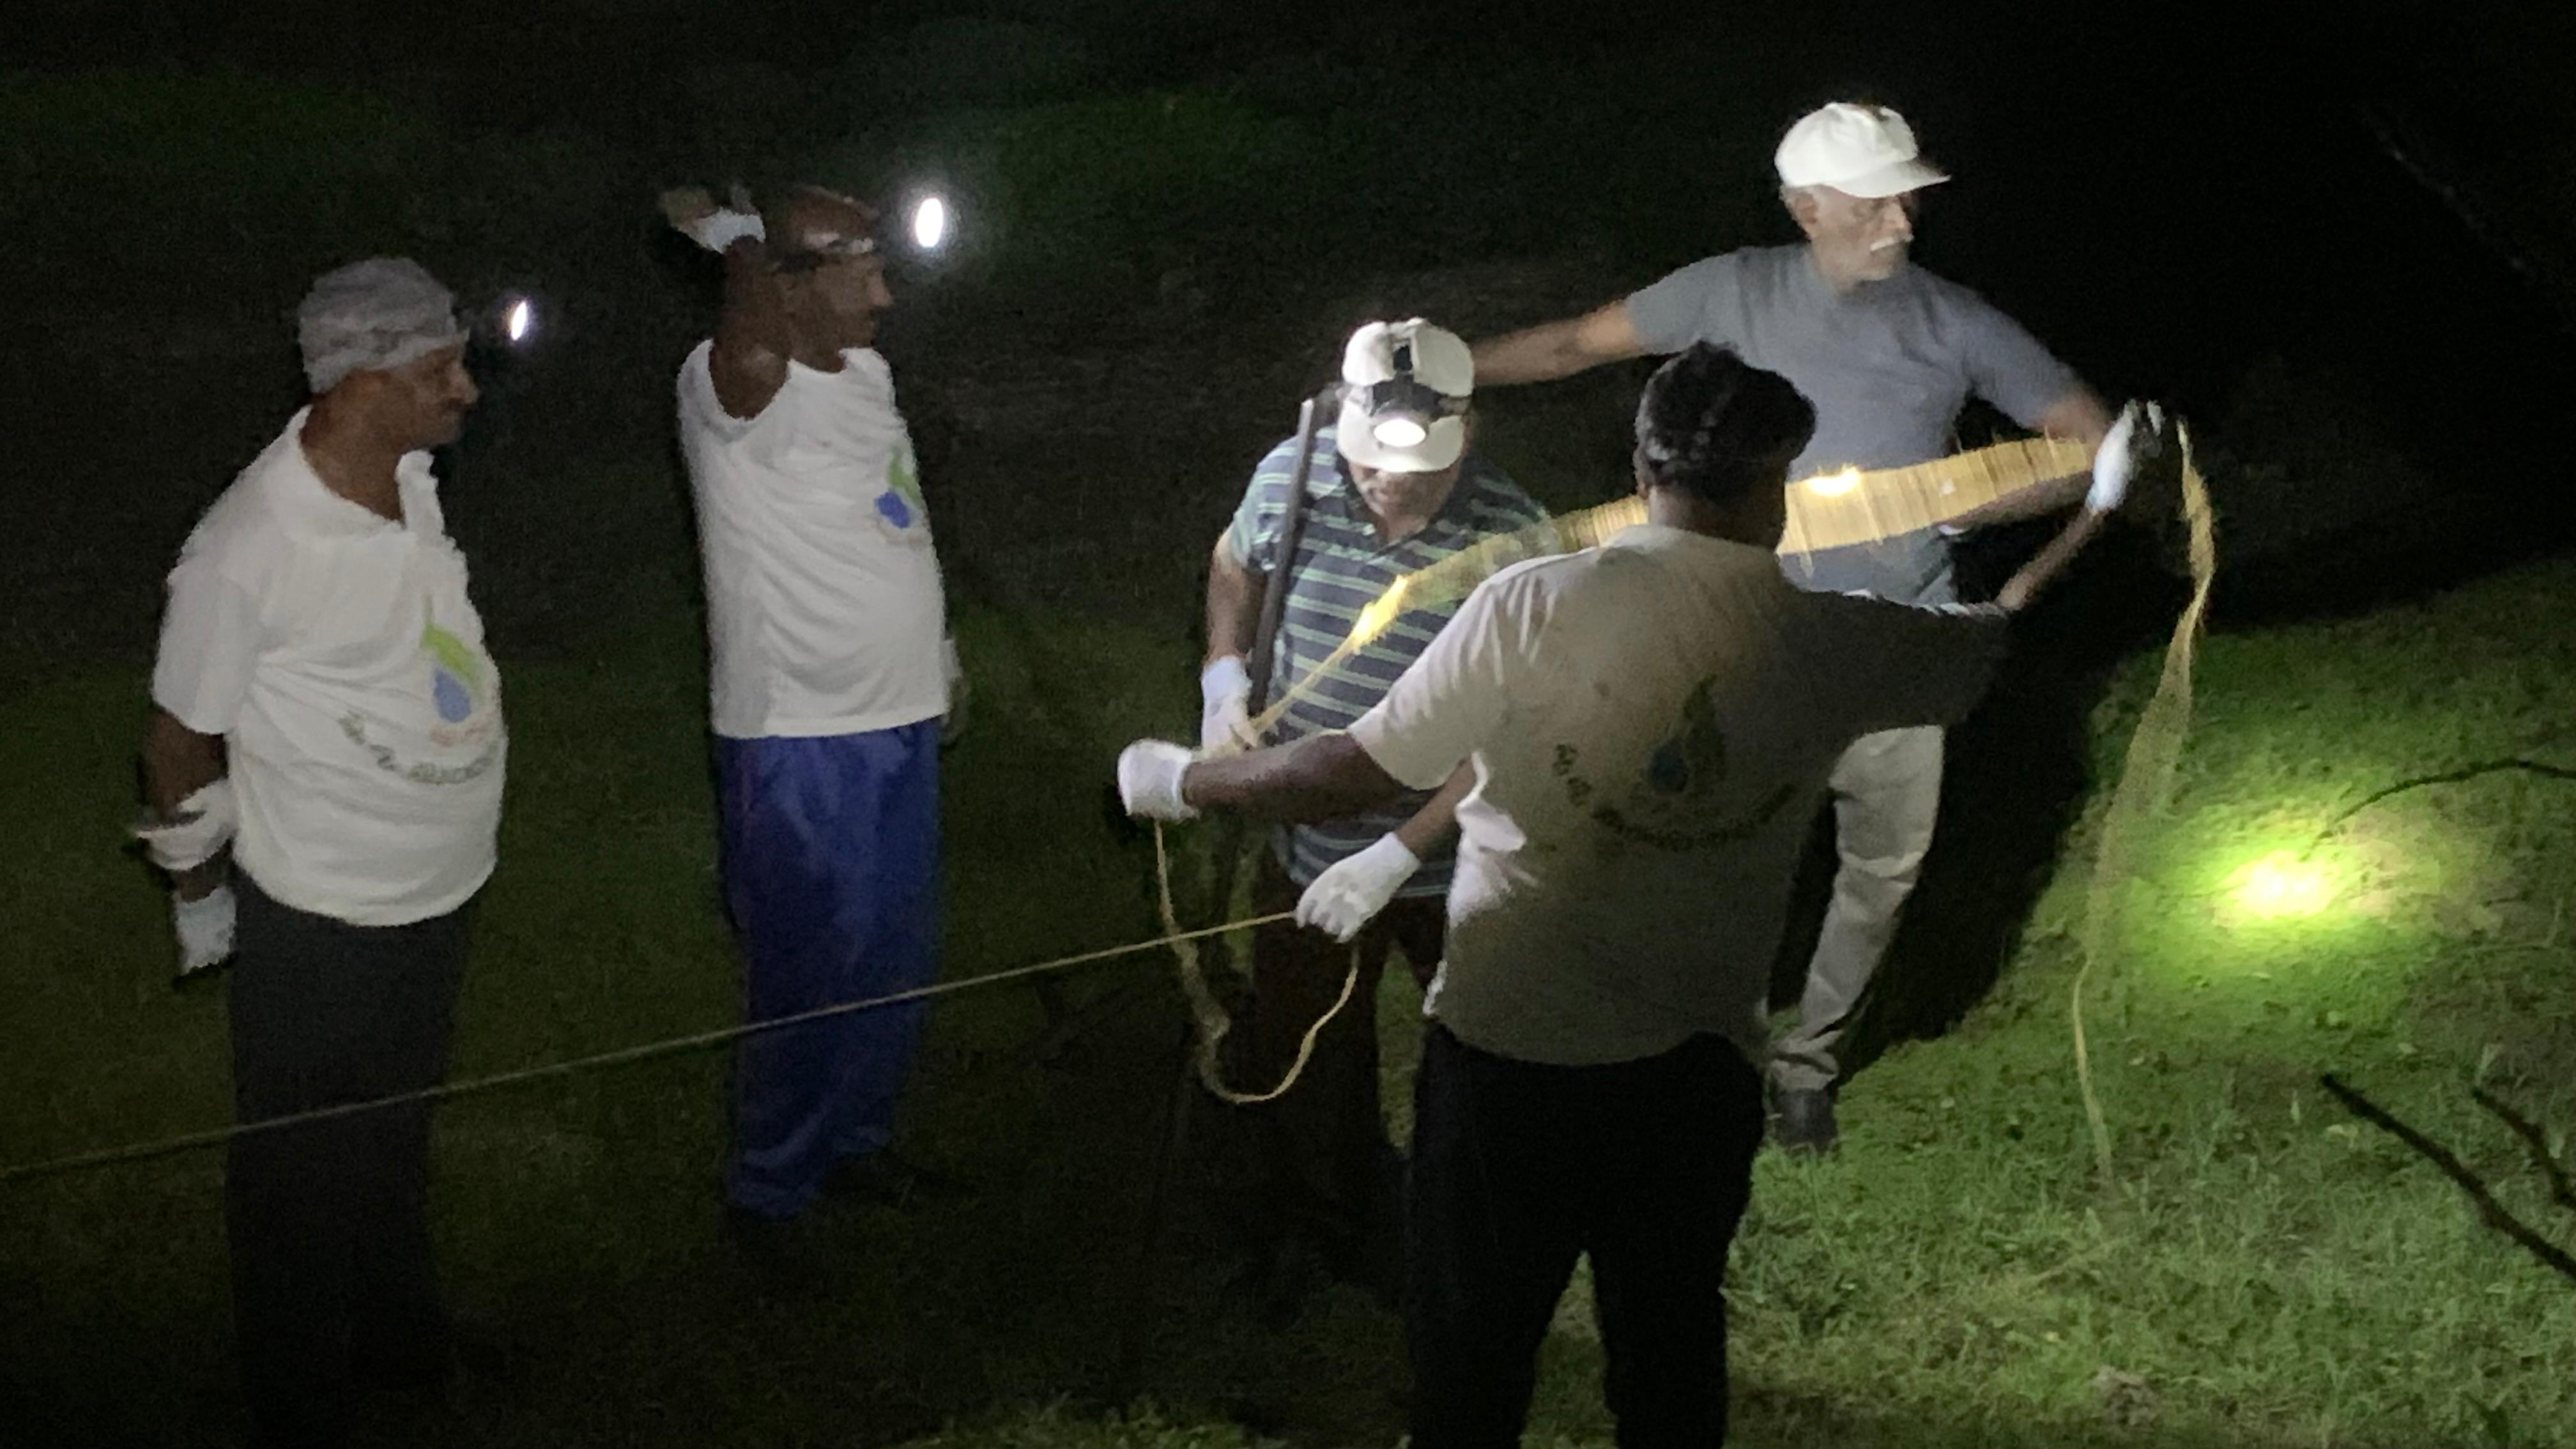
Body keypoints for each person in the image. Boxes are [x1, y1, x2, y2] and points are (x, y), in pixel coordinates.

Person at [1117, 344, 2157, 1448]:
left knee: (1470, 1368)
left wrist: (1183, 781)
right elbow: (1994, 639)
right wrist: (2096, 509)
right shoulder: (1835, 640)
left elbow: (1356, 769)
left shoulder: (1531, 602)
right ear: (1779, 486)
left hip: (1505, 1062)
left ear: (1641, 466)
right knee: (1668, 1361)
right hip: (1689, 1078)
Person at [1469, 100, 2119, 1151]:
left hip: (1897, 646)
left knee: (1879, 874)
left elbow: (2091, 442)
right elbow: (1570, 344)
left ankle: (1807, 1067)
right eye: (1874, 203)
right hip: (1744, 648)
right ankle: (1679, 1052)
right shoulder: (1728, 289)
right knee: (1701, 861)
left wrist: (1966, 507)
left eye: (1908, 200)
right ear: (1805, 207)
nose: (1901, 222)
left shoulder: (1953, 320)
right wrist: (1443, 368)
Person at [136, 257, 505, 1448]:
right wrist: (201, 897)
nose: (465, 390)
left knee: (394, 1126)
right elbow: (177, 743)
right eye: (440, 371)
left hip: (439, 888)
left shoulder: (406, 474)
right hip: (325, 911)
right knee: (299, 1167)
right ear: (359, 386)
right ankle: (297, 1398)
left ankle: (398, 1330)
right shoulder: (245, 550)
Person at [1199, 318, 1548, 1312]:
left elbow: (1519, 723)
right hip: (1305, 840)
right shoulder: (1294, 474)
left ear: (1466, 433)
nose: (1389, 484)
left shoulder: (1515, 540)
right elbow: (1233, 564)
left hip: (1455, 860)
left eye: (1417, 469)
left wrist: (1402, 850)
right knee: (1305, 1043)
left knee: (1478, 1051)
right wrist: (1225, 677)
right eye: (1370, 463)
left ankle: (1469, 1230)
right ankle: (1328, 1218)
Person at [663, 183, 966, 1226]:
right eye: (860, 275)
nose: (884, 298)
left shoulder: (869, 375)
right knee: (807, 965)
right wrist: (740, 247)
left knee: (894, 949)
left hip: (901, 714)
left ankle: (859, 1138)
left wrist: (938, 652)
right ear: (788, 287)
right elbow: (754, 355)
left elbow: (897, 512)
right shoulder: (727, 388)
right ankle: (773, 1186)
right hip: (799, 734)